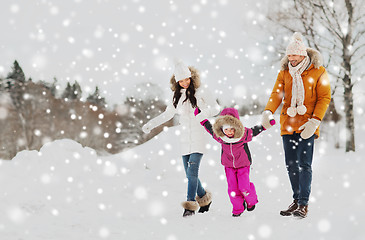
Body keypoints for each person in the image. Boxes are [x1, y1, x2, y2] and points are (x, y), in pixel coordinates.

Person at [261, 32, 331, 218]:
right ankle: (296, 199)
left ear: (303, 55)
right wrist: (268, 111)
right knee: (291, 164)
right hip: (288, 124)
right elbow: (277, 94)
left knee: (304, 165)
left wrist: (315, 120)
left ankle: (303, 204)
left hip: (308, 124)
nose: (291, 59)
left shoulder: (318, 71)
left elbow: (324, 97)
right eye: (289, 55)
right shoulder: (284, 73)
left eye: (294, 55)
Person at [142, 60, 220, 217]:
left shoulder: (201, 91)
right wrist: (151, 124)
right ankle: (205, 198)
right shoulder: (176, 96)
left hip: (198, 137)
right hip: (184, 139)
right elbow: (167, 114)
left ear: (191, 78)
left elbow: (216, 108)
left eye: (187, 79)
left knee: (192, 173)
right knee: (190, 175)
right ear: (177, 81)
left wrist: (203, 114)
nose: (185, 82)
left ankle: (190, 206)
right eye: (181, 80)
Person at [196, 107, 274, 217]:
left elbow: (255, 130)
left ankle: (251, 201)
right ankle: (238, 208)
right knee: (232, 189)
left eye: (231, 129)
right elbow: (209, 128)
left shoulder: (243, 134)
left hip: (243, 165)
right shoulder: (221, 137)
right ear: (222, 129)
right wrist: (202, 118)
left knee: (244, 187)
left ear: (236, 127)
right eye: (226, 129)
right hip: (229, 166)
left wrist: (266, 125)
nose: (229, 132)